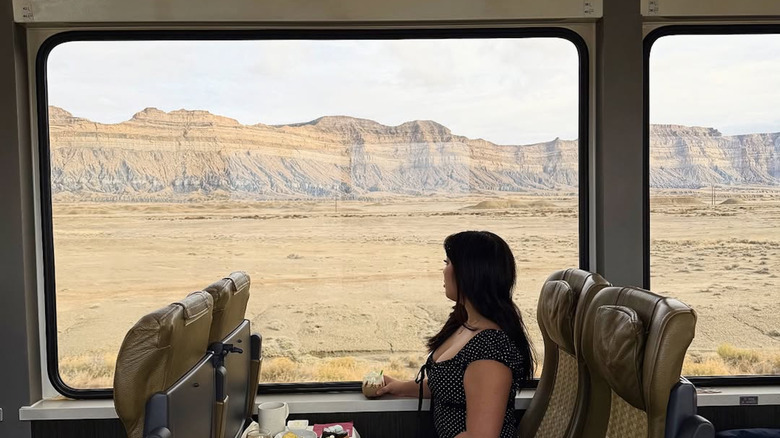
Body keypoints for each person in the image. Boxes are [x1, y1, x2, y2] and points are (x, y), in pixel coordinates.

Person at [376, 230, 534, 438]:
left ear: (469, 272)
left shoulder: (490, 350)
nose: (443, 271)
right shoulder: (466, 323)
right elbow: (453, 384)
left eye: (448, 262)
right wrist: (399, 387)